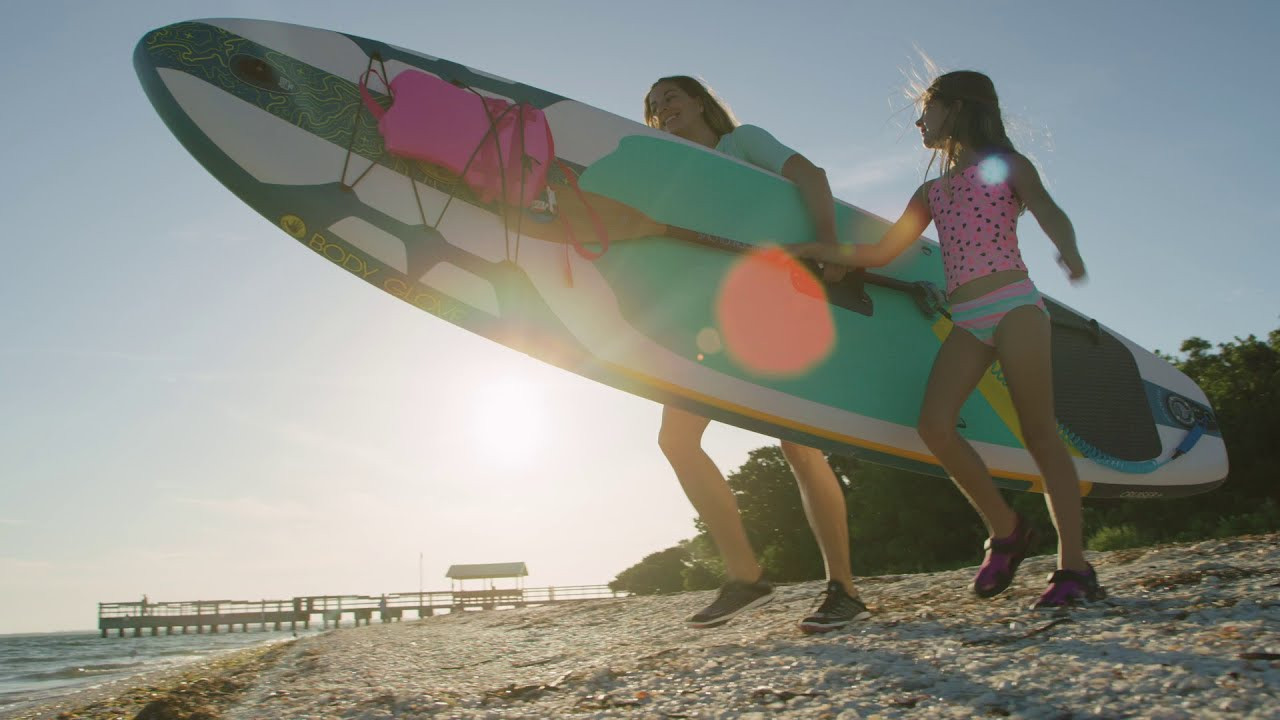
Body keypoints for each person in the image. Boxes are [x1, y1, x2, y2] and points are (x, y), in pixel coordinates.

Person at [790, 70, 1103, 609]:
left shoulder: (1007, 166)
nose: (919, 120)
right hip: (969, 320)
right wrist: (819, 251)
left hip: (1015, 308)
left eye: (926, 109)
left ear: (957, 109)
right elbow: (884, 252)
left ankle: (1074, 567)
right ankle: (1007, 530)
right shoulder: (932, 192)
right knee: (933, 425)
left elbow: (1048, 210)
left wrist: (1067, 250)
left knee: (1038, 433)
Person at [644, 76, 869, 632]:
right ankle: (745, 575)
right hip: (713, 320)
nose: (662, 108)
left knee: (799, 445)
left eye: (671, 96)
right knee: (676, 438)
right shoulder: (672, 176)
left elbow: (810, 176)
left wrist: (826, 242)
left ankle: (843, 589)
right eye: (652, 105)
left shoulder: (742, 144)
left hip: (776, 301)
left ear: (699, 100)